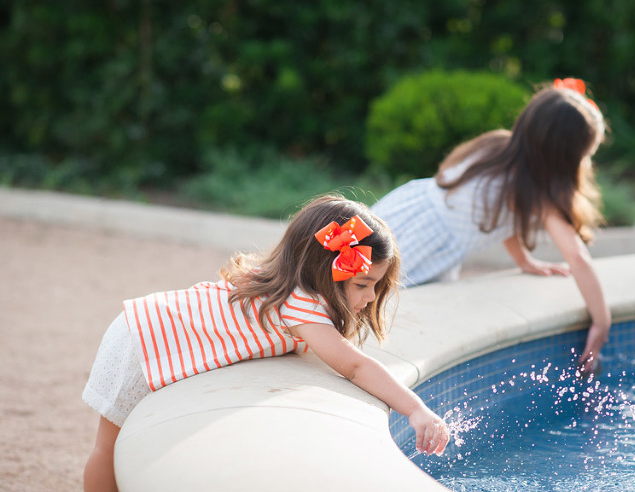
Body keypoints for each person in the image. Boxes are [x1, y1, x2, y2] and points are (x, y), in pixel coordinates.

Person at [82, 194, 451, 491]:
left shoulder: (291, 286)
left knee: (111, 445)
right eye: (362, 284)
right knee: (108, 447)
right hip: (143, 339)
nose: (371, 297)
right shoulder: (301, 302)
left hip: (145, 327)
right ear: (324, 271)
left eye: (375, 285)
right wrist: (415, 409)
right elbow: (354, 365)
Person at [372, 78, 611, 373]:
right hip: (423, 240)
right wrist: (601, 321)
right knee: (366, 286)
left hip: (410, 207)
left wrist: (524, 260)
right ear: (565, 158)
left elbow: (503, 214)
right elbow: (576, 257)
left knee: (358, 267)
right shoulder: (537, 191)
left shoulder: (500, 146)